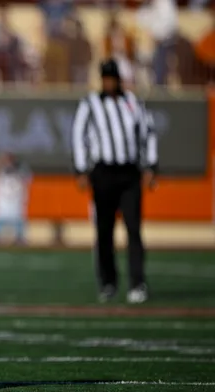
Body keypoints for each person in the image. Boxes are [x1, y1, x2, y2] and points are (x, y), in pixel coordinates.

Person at [71, 59, 158, 304]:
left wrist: (150, 165)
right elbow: (79, 136)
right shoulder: (90, 103)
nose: (110, 82)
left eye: (113, 78)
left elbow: (148, 133)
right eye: (106, 78)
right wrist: (81, 169)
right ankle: (108, 282)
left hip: (129, 173)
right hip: (103, 173)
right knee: (104, 230)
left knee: (133, 229)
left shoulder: (132, 102)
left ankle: (137, 283)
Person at [0, 152, 31, 245]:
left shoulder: (21, 170)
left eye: (10, 159)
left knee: (18, 217)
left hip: (16, 201)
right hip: (1, 201)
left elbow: (28, 178)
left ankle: (20, 237)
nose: (8, 162)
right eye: (6, 159)